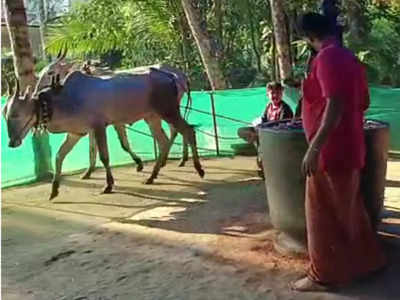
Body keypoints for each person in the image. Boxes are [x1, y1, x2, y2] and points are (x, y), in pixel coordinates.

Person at [291, 12, 386, 292]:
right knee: (349, 210)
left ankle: (324, 275)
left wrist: (315, 147)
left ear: (308, 37)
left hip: (330, 152)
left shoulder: (328, 58)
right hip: (349, 147)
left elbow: (335, 103)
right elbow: (362, 102)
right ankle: (367, 263)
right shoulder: (348, 58)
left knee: (321, 214)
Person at [237, 82, 293, 176]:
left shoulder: (285, 109)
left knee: (260, 139)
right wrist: (258, 126)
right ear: (268, 94)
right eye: (272, 93)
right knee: (242, 131)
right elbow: (263, 120)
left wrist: (263, 129)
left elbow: (283, 127)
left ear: (282, 93)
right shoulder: (268, 106)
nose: (275, 95)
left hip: (277, 137)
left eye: (278, 93)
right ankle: (258, 145)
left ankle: (264, 161)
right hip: (264, 134)